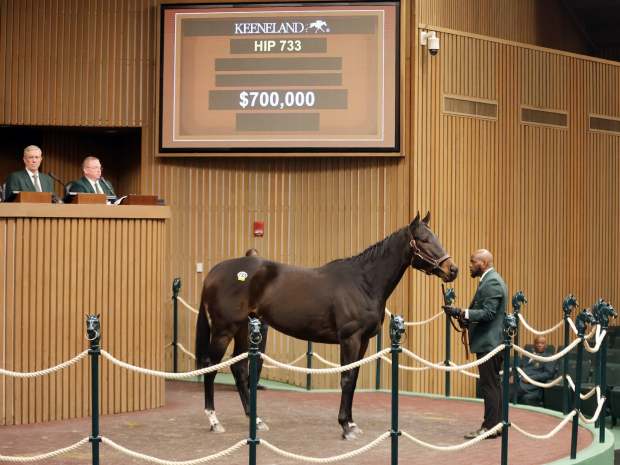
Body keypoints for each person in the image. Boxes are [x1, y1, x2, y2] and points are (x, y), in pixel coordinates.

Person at [443, 249, 508, 439]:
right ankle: (497, 425)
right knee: (493, 385)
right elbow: (487, 313)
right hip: (491, 342)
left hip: (490, 344)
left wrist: (463, 312)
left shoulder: (492, 282)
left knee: (489, 386)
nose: (470, 265)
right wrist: (464, 317)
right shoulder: (490, 280)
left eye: (473, 262)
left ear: (484, 263)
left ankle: (489, 427)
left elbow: (488, 313)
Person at [244, 248, 268, 390]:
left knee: (260, 353)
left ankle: (253, 382)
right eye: (253, 259)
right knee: (244, 352)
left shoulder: (262, 276)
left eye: (257, 259)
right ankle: (242, 381)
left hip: (262, 318)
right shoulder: (242, 276)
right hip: (246, 318)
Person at [512, 335, 557, 405]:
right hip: (518, 382)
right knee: (501, 388)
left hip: (530, 386)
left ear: (546, 345)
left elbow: (548, 374)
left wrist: (530, 379)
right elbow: (519, 367)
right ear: (534, 345)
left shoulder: (549, 357)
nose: (539, 345)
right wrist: (513, 375)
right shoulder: (527, 355)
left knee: (505, 393)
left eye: (542, 343)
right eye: (537, 343)